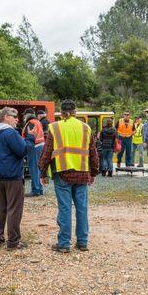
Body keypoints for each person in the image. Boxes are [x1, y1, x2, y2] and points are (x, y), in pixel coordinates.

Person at [39, 100, 100, 253]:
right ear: (75, 111)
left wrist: (42, 172)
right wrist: (93, 172)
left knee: (65, 208)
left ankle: (64, 244)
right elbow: (93, 153)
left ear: (61, 112)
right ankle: (82, 242)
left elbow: (46, 152)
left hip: (62, 173)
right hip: (82, 173)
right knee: (82, 208)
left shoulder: (55, 127)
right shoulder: (86, 128)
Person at [0, 107, 35, 250]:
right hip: (12, 175)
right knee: (14, 209)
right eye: (14, 116)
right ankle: (13, 241)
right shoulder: (10, 133)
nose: (17, 119)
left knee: (0, 208)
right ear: (6, 117)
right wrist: (30, 138)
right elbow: (22, 150)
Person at [22, 108, 46, 197]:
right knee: (38, 169)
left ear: (28, 114)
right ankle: (39, 189)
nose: (24, 116)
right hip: (40, 146)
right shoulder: (37, 122)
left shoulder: (31, 123)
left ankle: (35, 190)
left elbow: (30, 136)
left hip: (34, 147)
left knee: (34, 169)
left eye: (25, 114)